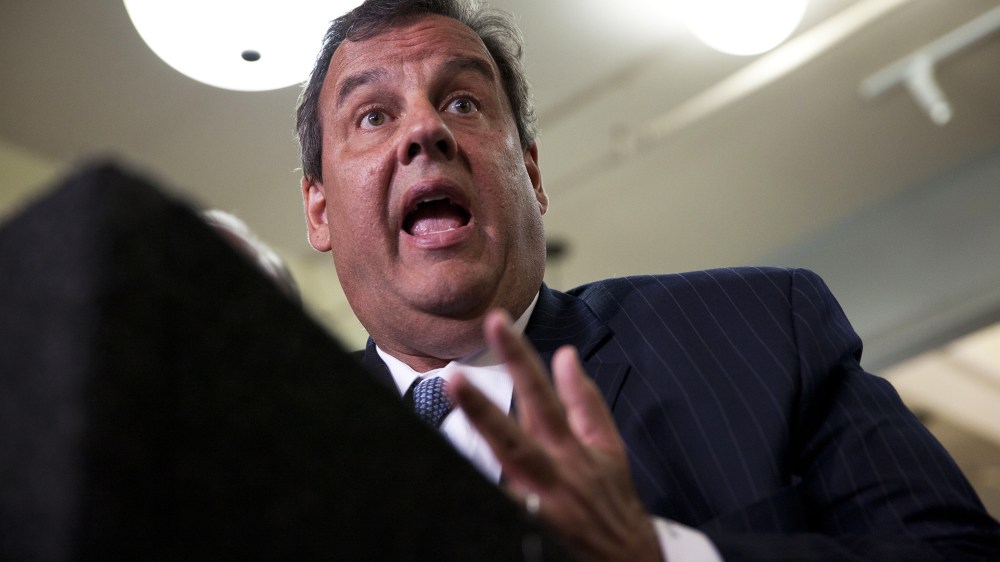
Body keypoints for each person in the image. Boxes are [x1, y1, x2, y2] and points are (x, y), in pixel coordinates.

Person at [295, 0, 1000, 559]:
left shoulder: (761, 332)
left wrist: (661, 556)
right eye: (374, 114)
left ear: (533, 174)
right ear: (319, 209)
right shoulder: (267, 456)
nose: (425, 131)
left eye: (463, 103)